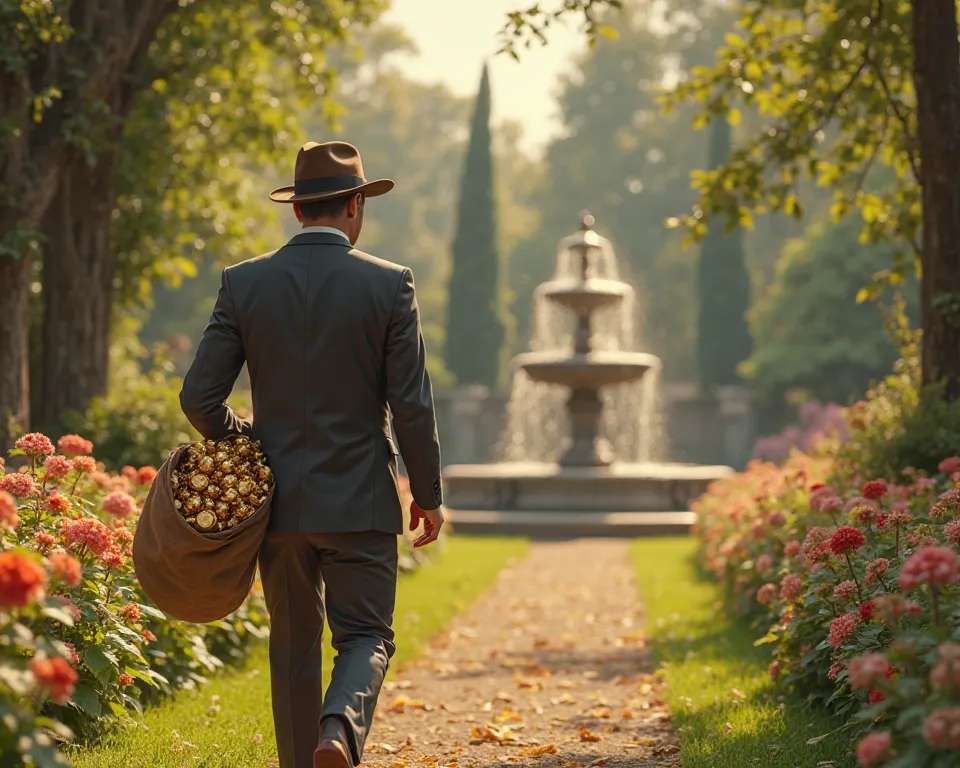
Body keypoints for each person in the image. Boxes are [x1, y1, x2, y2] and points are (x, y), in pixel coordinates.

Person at [179, 140, 445, 768]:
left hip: (278, 508)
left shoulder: (243, 284)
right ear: (356, 205)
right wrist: (428, 496)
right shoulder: (390, 285)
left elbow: (198, 397)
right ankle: (339, 733)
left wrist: (248, 442)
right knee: (366, 635)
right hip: (362, 503)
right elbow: (411, 404)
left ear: (299, 210)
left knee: (293, 645)